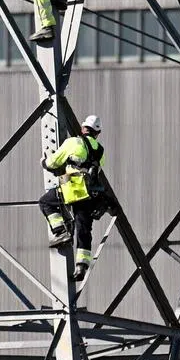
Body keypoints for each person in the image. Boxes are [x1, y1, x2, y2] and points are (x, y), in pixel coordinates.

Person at [39, 115, 109, 282]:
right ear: (97, 133)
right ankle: (81, 266)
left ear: (83, 128)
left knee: (46, 202)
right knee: (84, 229)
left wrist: (44, 162)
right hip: (89, 194)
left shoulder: (73, 142)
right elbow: (98, 169)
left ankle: (61, 231)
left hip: (72, 189)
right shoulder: (100, 150)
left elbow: (54, 162)